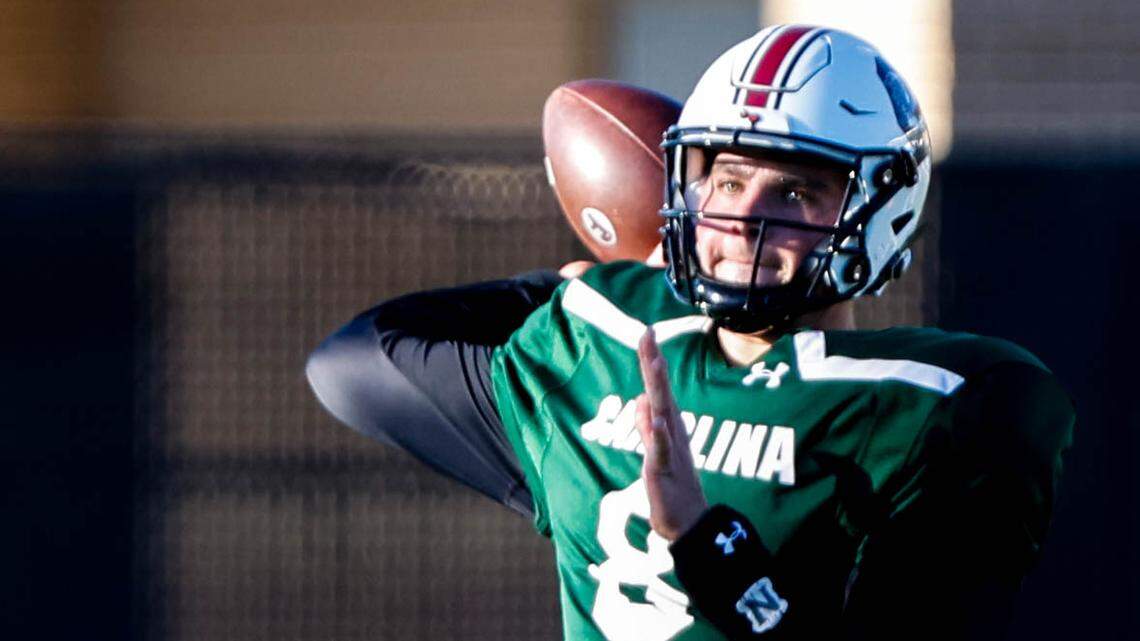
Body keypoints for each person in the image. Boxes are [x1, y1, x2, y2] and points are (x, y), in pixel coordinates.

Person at [306, 26, 1074, 640]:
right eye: (729, 181)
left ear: (881, 209)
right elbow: (351, 363)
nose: (744, 216)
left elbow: (357, 358)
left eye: (798, 188)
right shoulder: (602, 338)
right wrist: (564, 288)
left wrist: (707, 540)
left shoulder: (935, 410)